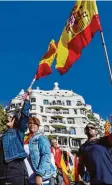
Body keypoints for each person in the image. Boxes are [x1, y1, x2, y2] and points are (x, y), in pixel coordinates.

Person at [0, 88, 31, 185]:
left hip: (15, 172)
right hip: (2, 174)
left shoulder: (18, 132)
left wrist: (27, 99)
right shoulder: (2, 136)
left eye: (11, 117)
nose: (8, 117)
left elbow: (24, 117)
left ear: (15, 120)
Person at [27, 117, 56, 185]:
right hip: (27, 178)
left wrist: (39, 174)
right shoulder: (25, 139)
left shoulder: (41, 137)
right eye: (30, 123)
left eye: (35, 123)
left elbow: (46, 155)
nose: (32, 125)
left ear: (38, 126)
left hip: (39, 179)